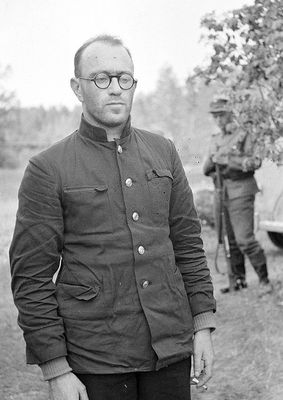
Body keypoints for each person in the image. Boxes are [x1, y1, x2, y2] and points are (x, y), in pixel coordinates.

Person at [10, 35, 216, 400]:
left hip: (169, 350)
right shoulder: (48, 168)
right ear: (77, 87)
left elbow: (187, 245)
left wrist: (202, 325)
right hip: (95, 358)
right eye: (101, 78)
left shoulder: (163, 151)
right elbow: (31, 278)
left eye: (125, 79)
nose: (115, 89)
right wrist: (56, 368)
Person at [203, 97, 273, 296]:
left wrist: (227, 159)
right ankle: (238, 281)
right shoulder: (215, 139)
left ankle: (264, 280)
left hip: (241, 191)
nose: (218, 119)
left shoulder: (244, 135)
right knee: (228, 239)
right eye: (215, 116)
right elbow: (206, 167)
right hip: (221, 192)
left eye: (221, 115)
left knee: (245, 239)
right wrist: (212, 162)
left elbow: (254, 162)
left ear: (230, 113)